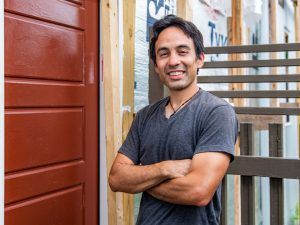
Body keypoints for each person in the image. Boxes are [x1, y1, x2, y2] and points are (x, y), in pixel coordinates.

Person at [109, 15, 238, 225]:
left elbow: (198, 191)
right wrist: (166, 169)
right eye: (164, 53)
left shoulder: (216, 112)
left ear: (200, 59)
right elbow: (116, 178)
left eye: (182, 51)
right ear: (156, 65)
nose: (173, 61)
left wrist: (140, 180)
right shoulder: (145, 117)